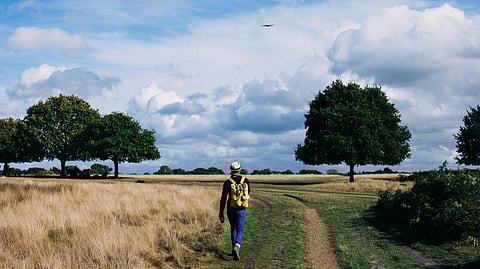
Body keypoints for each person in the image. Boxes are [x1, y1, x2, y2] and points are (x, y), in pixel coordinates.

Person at [219, 161, 251, 261]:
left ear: (231, 170)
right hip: (241, 208)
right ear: (240, 169)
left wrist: (221, 213)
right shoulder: (246, 181)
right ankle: (237, 246)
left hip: (230, 208)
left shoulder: (228, 182)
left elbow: (223, 198)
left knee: (233, 228)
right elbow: (248, 193)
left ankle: (234, 248)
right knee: (240, 229)